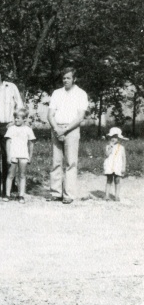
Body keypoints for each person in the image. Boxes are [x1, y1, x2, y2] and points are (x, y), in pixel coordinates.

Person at [48, 67, 89, 204]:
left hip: (72, 129)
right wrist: (56, 129)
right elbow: (50, 114)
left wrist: (65, 130)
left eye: (68, 78)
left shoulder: (81, 94)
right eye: (64, 78)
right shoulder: (56, 93)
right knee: (56, 161)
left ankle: (69, 194)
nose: (65, 80)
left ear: (74, 79)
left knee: (71, 162)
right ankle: (55, 192)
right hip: (56, 128)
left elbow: (80, 117)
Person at [0, 65, 24, 196]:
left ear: (1, 75)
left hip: (8, 126)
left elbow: (20, 105)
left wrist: (15, 122)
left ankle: (8, 188)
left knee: (8, 157)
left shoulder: (11, 87)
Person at [3, 108, 35, 202]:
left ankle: (21, 195)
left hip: (23, 155)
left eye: (18, 118)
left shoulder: (28, 129)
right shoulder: (11, 129)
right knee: (10, 174)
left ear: (24, 119)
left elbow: (31, 144)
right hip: (13, 154)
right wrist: (8, 156)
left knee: (22, 175)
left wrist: (30, 156)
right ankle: (7, 194)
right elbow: (8, 143)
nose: (16, 120)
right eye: (15, 118)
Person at [104, 127, 127, 201]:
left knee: (117, 180)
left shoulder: (121, 147)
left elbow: (124, 158)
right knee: (109, 180)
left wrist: (123, 167)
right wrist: (110, 147)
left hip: (118, 166)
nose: (113, 139)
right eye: (112, 137)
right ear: (109, 137)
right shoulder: (108, 146)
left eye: (115, 137)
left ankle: (116, 196)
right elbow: (106, 155)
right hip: (110, 165)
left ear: (118, 138)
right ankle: (106, 195)